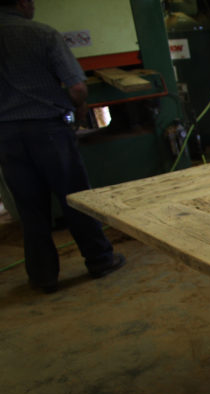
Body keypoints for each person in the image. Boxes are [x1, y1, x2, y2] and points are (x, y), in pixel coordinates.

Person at [0, 0, 124, 293]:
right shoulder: (42, 34)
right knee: (76, 199)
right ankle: (99, 260)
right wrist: (78, 106)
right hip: (48, 131)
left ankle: (43, 277)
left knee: (30, 209)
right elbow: (78, 88)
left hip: (5, 137)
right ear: (21, 4)